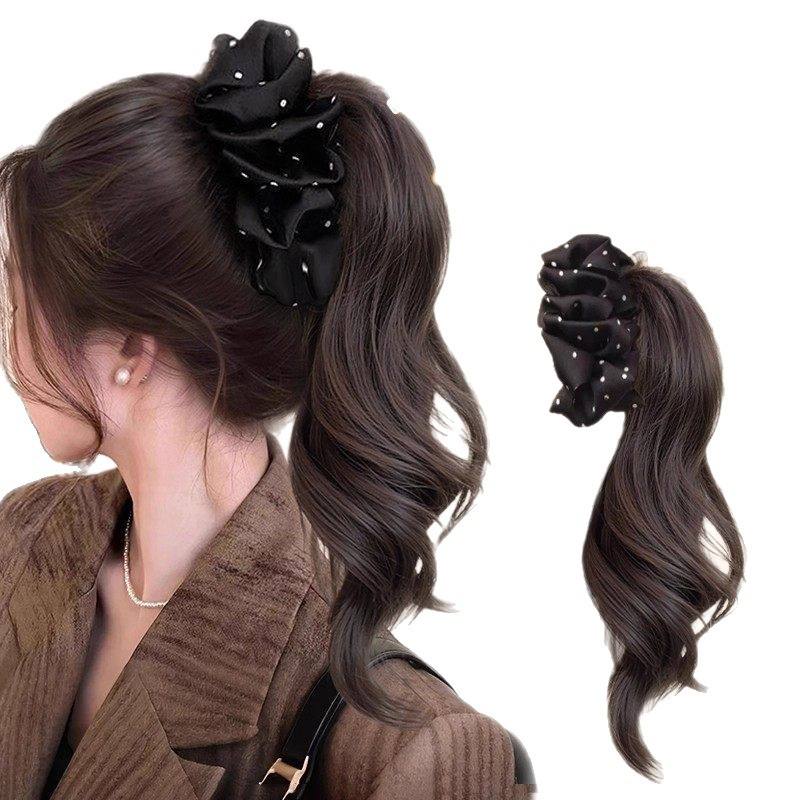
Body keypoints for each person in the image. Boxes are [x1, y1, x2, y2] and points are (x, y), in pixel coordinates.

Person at [0, 19, 534, 800]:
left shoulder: (413, 752)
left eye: (18, 302)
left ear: (130, 351)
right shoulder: (24, 539)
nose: (9, 343)